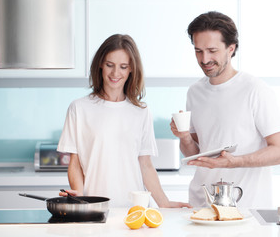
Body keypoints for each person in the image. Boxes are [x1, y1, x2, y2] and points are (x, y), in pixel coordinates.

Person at [170, 11, 280, 208]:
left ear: (231, 49)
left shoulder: (255, 90)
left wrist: (234, 161)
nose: (204, 59)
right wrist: (184, 137)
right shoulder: (195, 92)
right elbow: (197, 153)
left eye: (212, 50)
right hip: (202, 206)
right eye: (198, 51)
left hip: (245, 207)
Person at [57, 34, 190, 208]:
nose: (115, 73)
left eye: (123, 67)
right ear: (100, 65)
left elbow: (146, 165)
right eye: (109, 65)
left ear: (131, 69)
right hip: (95, 209)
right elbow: (75, 163)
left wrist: (164, 202)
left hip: (135, 210)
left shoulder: (141, 111)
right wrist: (79, 196)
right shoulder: (79, 108)